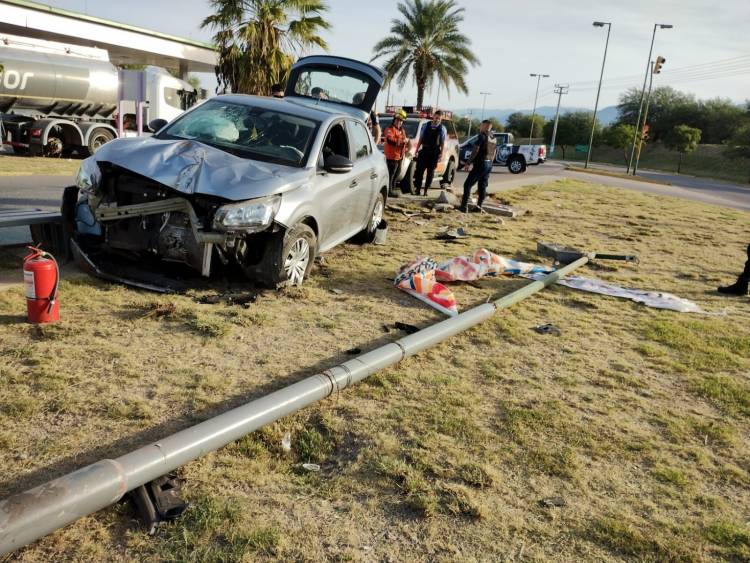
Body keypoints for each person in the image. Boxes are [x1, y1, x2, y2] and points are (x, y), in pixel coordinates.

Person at [458, 120, 497, 212]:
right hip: (489, 164)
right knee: (482, 186)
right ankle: (479, 207)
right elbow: (494, 151)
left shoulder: (482, 136)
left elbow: (476, 149)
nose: (480, 127)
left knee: (467, 184)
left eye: (481, 126)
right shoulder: (493, 138)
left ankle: (464, 206)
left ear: (484, 126)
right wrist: (490, 163)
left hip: (481, 163)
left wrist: (468, 162)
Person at [414, 110, 447, 196]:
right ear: (433, 117)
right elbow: (421, 138)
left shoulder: (442, 128)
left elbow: (443, 142)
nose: (437, 120)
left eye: (439, 119)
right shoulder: (426, 125)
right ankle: (417, 189)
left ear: (441, 119)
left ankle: (426, 190)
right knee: (419, 171)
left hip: (434, 152)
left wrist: (441, 153)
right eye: (436, 118)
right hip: (424, 150)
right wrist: (417, 149)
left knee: (430, 173)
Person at [382, 109, 409, 198]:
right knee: (391, 174)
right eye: (398, 120)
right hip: (391, 156)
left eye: (401, 121)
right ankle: (389, 191)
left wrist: (406, 143)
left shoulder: (402, 131)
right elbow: (390, 141)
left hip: (399, 157)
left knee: (397, 173)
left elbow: (406, 140)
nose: (399, 122)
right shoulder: (389, 129)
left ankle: (392, 188)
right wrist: (402, 141)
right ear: (394, 119)